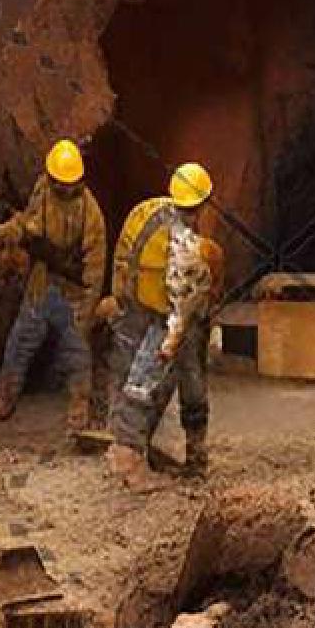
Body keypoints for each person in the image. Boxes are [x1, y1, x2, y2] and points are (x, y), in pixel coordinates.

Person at [0, 137, 109, 427]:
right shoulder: (43, 190)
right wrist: (5, 232)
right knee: (20, 341)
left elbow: (95, 270)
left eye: (66, 184)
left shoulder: (91, 216)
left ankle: (79, 409)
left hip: (71, 293)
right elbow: (29, 225)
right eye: (56, 182)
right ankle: (4, 399)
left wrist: (85, 311)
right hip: (41, 283)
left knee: (76, 351)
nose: (60, 188)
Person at [108, 163, 218, 484]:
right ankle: (128, 456)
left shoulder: (146, 210)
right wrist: (174, 337)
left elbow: (124, 253)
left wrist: (121, 300)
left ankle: (168, 453)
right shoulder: (185, 245)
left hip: (136, 307)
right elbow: (182, 301)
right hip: (166, 317)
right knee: (147, 380)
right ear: (202, 203)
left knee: (158, 379)